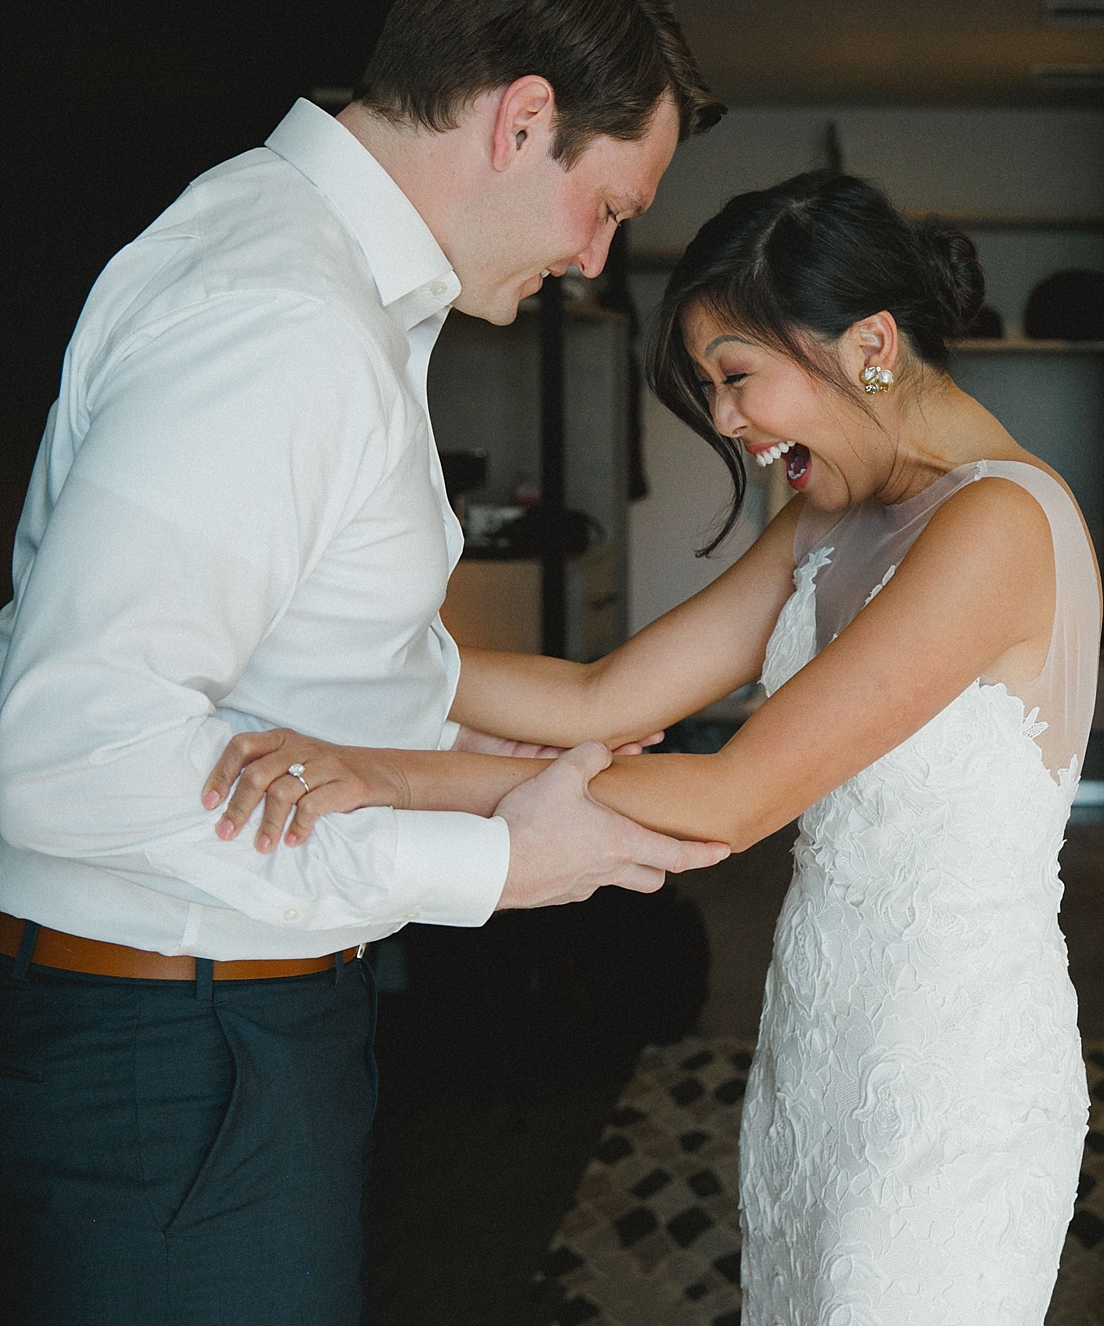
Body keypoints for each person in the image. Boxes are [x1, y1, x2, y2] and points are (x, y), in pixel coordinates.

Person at [205, 170, 1102, 1324]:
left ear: (870, 342)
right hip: (818, 1030)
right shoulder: (833, 517)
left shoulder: (998, 526)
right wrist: (326, 665)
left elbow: (732, 797)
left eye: (736, 379)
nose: (725, 422)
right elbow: (599, 693)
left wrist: (394, 776)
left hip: (952, 1076)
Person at [0, 3, 728, 1321]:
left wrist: (467, 770)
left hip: (231, 1026)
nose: (594, 259)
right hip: (184, 1051)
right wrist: (496, 865)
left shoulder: (327, 286)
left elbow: (295, 670)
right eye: (608, 206)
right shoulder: (283, 317)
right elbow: (66, 745)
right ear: (522, 122)